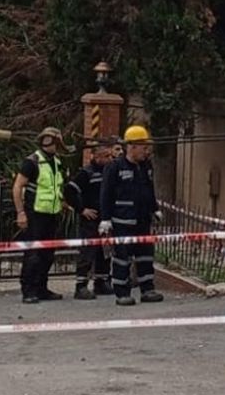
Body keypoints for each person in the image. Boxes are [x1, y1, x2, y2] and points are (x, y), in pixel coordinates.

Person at [99, 125, 164, 306]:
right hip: (122, 221)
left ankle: (147, 289)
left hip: (142, 220)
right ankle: (122, 293)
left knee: (145, 256)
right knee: (122, 258)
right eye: (144, 147)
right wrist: (105, 219)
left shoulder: (145, 166)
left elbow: (149, 189)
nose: (147, 150)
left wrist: (155, 208)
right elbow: (105, 194)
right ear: (132, 146)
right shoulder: (114, 167)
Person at [14, 127, 69, 304]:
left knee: (47, 254)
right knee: (33, 254)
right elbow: (17, 187)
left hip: (51, 214)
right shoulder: (32, 161)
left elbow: (55, 186)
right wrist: (21, 212)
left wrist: (62, 201)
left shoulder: (56, 162)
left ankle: (42, 288)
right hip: (35, 214)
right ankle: (28, 290)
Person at [64, 138, 115, 299]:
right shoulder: (87, 173)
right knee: (87, 252)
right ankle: (81, 286)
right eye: (105, 156)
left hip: (105, 219)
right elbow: (69, 191)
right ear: (95, 156)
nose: (109, 159)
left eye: (110, 156)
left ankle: (101, 282)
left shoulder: (109, 172)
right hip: (90, 220)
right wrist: (81, 209)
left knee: (104, 251)